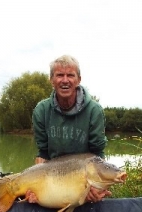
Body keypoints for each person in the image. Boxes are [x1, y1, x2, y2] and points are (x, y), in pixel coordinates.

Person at [28, 54, 110, 203]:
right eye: (60, 75)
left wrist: (96, 187)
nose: (65, 80)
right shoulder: (41, 110)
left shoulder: (94, 110)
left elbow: (98, 154)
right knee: (31, 196)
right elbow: (43, 153)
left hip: (84, 176)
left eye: (70, 75)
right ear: (51, 80)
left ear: (79, 79)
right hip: (53, 177)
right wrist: (37, 188)